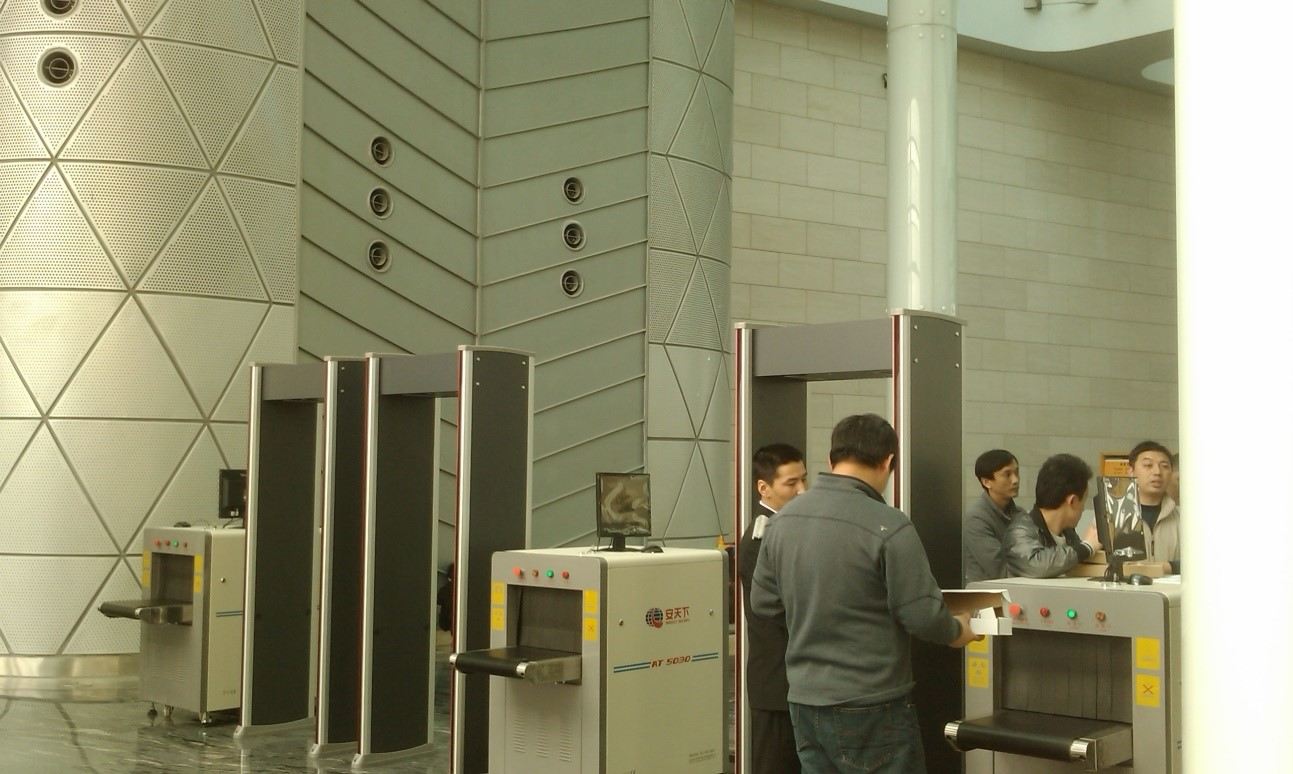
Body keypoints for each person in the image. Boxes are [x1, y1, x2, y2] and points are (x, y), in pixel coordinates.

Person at [750, 414, 979, 774]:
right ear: (888, 461)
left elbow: (763, 603)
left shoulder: (781, 523)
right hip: (872, 704)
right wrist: (958, 630)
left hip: (805, 702)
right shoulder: (889, 525)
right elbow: (921, 615)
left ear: (831, 460)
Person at [738, 443, 807, 774]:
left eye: (804, 479)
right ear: (763, 488)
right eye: (791, 483)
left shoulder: (793, 530)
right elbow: (777, 611)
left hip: (801, 682)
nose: (802, 490)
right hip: (777, 685)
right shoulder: (760, 541)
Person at [1005, 454, 1101, 578]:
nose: (1083, 508)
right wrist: (1087, 547)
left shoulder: (1068, 533)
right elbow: (1036, 565)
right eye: (1084, 500)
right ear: (1072, 501)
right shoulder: (1020, 530)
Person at [963, 449, 1024, 583]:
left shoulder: (1020, 514)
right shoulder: (976, 518)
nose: (1015, 480)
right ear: (986, 482)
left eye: (1016, 472)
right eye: (1007, 474)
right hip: (986, 592)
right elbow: (999, 569)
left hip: (1019, 587)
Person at [1129, 441, 1181, 573]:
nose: (1157, 472)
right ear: (1131, 471)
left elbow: (1202, 561)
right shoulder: (1111, 516)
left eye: (1164, 466)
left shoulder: (1184, 518)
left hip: (1172, 586)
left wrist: (1168, 567)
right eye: (1148, 465)